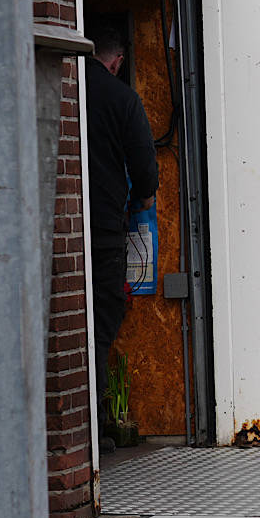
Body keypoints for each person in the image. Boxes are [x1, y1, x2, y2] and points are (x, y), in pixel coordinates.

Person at [84, 24, 158, 431]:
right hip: (103, 232)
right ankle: (96, 426)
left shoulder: (66, 86)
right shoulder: (122, 98)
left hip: (61, 230)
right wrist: (144, 199)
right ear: (117, 61)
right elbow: (144, 168)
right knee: (100, 323)